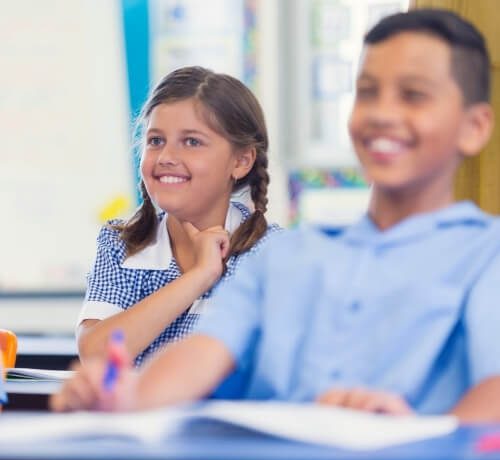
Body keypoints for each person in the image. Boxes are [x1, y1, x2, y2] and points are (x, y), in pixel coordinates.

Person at [52, 9, 500, 422]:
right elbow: (203, 354)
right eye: (367, 92)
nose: (383, 113)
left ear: (474, 127)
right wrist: (126, 396)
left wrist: (413, 436)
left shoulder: (486, 254)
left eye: (413, 95)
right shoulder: (291, 254)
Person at [76, 66, 279, 366]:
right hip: (131, 415)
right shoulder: (122, 242)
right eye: (156, 140)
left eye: (192, 142)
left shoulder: (271, 253)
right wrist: (199, 277)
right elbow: (95, 354)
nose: (166, 157)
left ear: (241, 160)